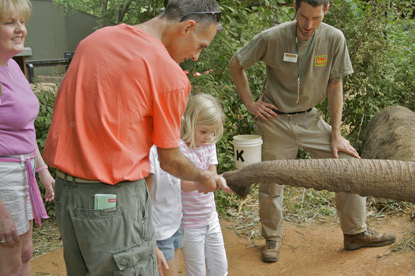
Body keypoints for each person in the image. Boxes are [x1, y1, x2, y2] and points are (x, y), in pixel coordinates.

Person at [43, 0, 224, 274]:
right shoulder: (169, 74)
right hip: (114, 199)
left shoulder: (95, 40)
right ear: (187, 27)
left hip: (68, 195)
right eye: (201, 46)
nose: (196, 57)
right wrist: (202, 176)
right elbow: (170, 160)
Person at [229, 0, 396, 263]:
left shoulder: (334, 38)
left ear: (326, 10)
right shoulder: (272, 37)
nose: (308, 25)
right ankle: (272, 237)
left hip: (311, 119)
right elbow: (236, 64)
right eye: (303, 17)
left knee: (350, 165)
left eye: (316, 18)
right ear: (295, 7)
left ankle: (355, 232)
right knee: (271, 178)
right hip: (275, 120)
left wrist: (336, 134)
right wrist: (251, 104)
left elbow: (335, 84)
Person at [0, 0, 55, 275]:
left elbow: (25, 129)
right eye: (10, 22)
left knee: (25, 251)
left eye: (22, 21)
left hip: (24, 173)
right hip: (4, 179)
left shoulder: (13, 67)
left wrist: (42, 170)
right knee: (8, 262)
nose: (20, 29)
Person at [179, 93, 232, 276]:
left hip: (210, 218)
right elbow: (184, 185)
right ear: (189, 122)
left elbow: (212, 175)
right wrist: (209, 180)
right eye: (203, 131)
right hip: (189, 224)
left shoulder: (210, 144)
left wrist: (220, 182)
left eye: (212, 132)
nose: (208, 137)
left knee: (220, 268)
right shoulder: (179, 148)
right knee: (197, 272)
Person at [147, 145, 183, 276]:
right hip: (159, 232)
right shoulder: (149, 152)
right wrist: (152, 244)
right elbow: (142, 202)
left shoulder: (174, 145)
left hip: (175, 223)